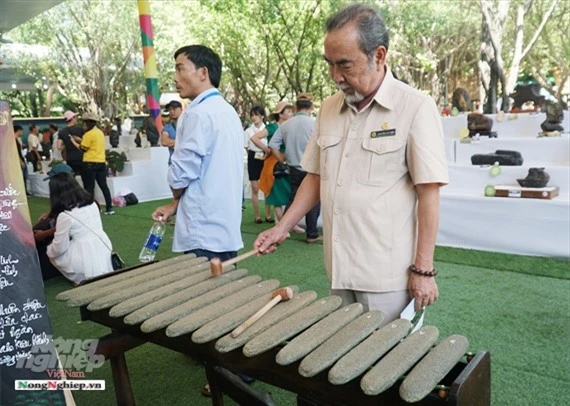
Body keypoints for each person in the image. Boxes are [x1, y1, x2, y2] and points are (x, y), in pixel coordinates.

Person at [254, 3, 449, 323]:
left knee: (388, 362)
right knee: (346, 357)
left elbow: (429, 194)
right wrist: (283, 226)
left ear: (379, 55)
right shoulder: (329, 109)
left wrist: (423, 270)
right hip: (338, 267)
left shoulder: (415, 107)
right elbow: (315, 177)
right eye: (329, 64)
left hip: (388, 275)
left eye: (344, 64)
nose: (335, 76)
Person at [151, 44, 244, 261]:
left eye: (180, 69)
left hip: (203, 229)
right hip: (224, 227)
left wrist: (175, 193)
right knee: (225, 290)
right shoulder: (227, 111)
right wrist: (175, 205)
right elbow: (208, 172)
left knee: (207, 292)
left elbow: (182, 174)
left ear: (203, 73)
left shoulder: (197, 114)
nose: (175, 77)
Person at [268, 93, 322, 243]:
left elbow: (272, 145)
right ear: (310, 108)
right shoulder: (314, 123)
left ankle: (284, 229)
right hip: (311, 168)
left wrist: (282, 160)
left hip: (293, 167)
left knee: (293, 197)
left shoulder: (286, 124)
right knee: (314, 200)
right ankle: (312, 234)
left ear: (296, 107)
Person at [45, 171, 114, 285]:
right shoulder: (92, 204)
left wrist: (49, 251)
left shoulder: (65, 215)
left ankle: (79, 278)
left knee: (54, 253)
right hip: (104, 249)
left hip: (84, 257)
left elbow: (59, 247)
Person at [250, 101, 304, 232]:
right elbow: (254, 138)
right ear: (280, 114)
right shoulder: (272, 127)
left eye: (292, 111)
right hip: (275, 166)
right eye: (288, 111)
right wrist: (267, 150)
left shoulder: (291, 126)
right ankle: (285, 228)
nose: (291, 113)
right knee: (277, 197)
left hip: (289, 163)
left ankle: (286, 225)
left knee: (289, 195)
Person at [69, 112, 114, 215]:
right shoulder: (99, 133)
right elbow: (92, 144)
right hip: (101, 162)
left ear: (87, 123)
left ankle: (91, 210)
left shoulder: (88, 134)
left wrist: (73, 141)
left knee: (89, 188)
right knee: (104, 186)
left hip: (89, 163)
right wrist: (81, 140)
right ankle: (109, 207)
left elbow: (83, 149)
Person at [243, 105, 271, 223]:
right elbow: (246, 147)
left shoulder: (268, 130)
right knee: (255, 187)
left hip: (266, 157)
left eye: (256, 115)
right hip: (253, 157)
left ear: (262, 116)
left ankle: (268, 215)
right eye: (252, 115)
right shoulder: (248, 131)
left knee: (266, 188)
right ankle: (257, 215)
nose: (254, 118)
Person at [57, 110, 85, 176]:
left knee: (72, 177)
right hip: (82, 157)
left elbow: (59, 147)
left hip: (70, 158)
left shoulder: (62, 132)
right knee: (84, 178)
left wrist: (66, 144)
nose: (76, 119)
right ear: (72, 118)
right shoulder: (80, 130)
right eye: (75, 117)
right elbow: (86, 143)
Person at [161, 99, 184, 165]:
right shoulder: (168, 127)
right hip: (173, 163)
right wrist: (182, 142)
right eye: (170, 109)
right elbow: (164, 141)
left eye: (174, 109)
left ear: (181, 109)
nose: (171, 111)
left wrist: (175, 144)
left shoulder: (188, 124)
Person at [13, 125, 30, 195]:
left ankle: (25, 191)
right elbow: (15, 152)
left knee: (24, 177)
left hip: (22, 159)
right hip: (19, 160)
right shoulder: (13, 140)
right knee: (21, 177)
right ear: (18, 131)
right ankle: (22, 191)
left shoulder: (17, 140)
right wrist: (20, 161)